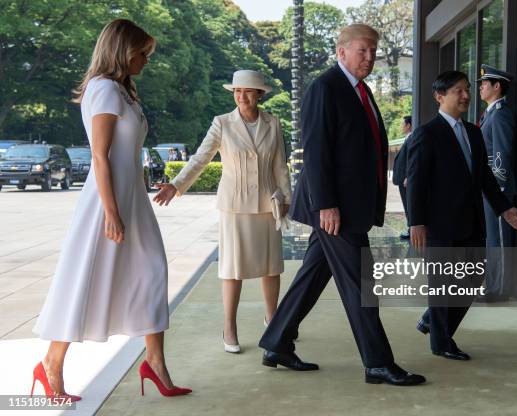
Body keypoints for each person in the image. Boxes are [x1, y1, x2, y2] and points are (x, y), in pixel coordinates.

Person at [258, 24, 426, 387]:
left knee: (313, 276)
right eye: (362, 50)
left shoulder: (361, 91)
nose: (369, 58)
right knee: (360, 284)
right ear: (342, 51)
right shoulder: (326, 87)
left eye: (373, 51)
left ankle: (277, 343)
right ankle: (378, 363)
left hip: (348, 207)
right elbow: (316, 150)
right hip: (337, 210)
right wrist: (327, 204)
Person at [32, 19, 191, 399]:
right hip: (108, 202)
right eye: (142, 54)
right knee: (83, 280)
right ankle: (51, 364)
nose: (146, 61)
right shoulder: (104, 90)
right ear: (123, 52)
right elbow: (100, 157)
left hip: (130, 199)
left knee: (153, 272)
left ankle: (155, 363)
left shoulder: (124, 92)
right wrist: (111, 212)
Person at [154, 70, 291, 354]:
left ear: (259, 94)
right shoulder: (222, 123)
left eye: (248, 91)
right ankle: (229, 326)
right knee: (232, 267)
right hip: (234, 205)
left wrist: (287, 198)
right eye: (237, 91)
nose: (242, 96)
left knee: (271, 266)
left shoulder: (273, 123)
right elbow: (201, 158)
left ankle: (273, 319)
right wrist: (177, 185)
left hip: (268, 203)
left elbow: (280, 165)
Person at [407, 70, 517, 361]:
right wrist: (416, 223)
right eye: (458, 91)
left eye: (466, 90)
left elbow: (484, 177)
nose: (465, 96)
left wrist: (505, 208)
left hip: (473, 221)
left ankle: (438, 328)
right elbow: (416, 181)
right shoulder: (427, 133)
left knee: (472, 279)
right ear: (440, 96)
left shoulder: (473, 131)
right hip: (440, 224)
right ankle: (441, 340)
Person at [477, 64, 517, 302]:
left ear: (497, 86)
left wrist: (498, 192)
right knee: (491, 239)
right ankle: (493, 284)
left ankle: (500, 289)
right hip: (488, 187)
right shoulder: (491, 113)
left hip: (497, 189)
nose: (481, 87)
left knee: (499, 241)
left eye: (484, 83)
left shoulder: (501, 114)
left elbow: (502, 152)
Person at [391, 115, 413, 240]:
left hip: (406, 180)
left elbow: (412, 159)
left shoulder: (412, 138)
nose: (401, 127)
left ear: (408, 125)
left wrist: (408, 176)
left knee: (409, 204)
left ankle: (411, 229)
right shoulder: (407, 138)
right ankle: (410, 228)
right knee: (406, 205)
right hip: (403, 179)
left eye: (402, 124)